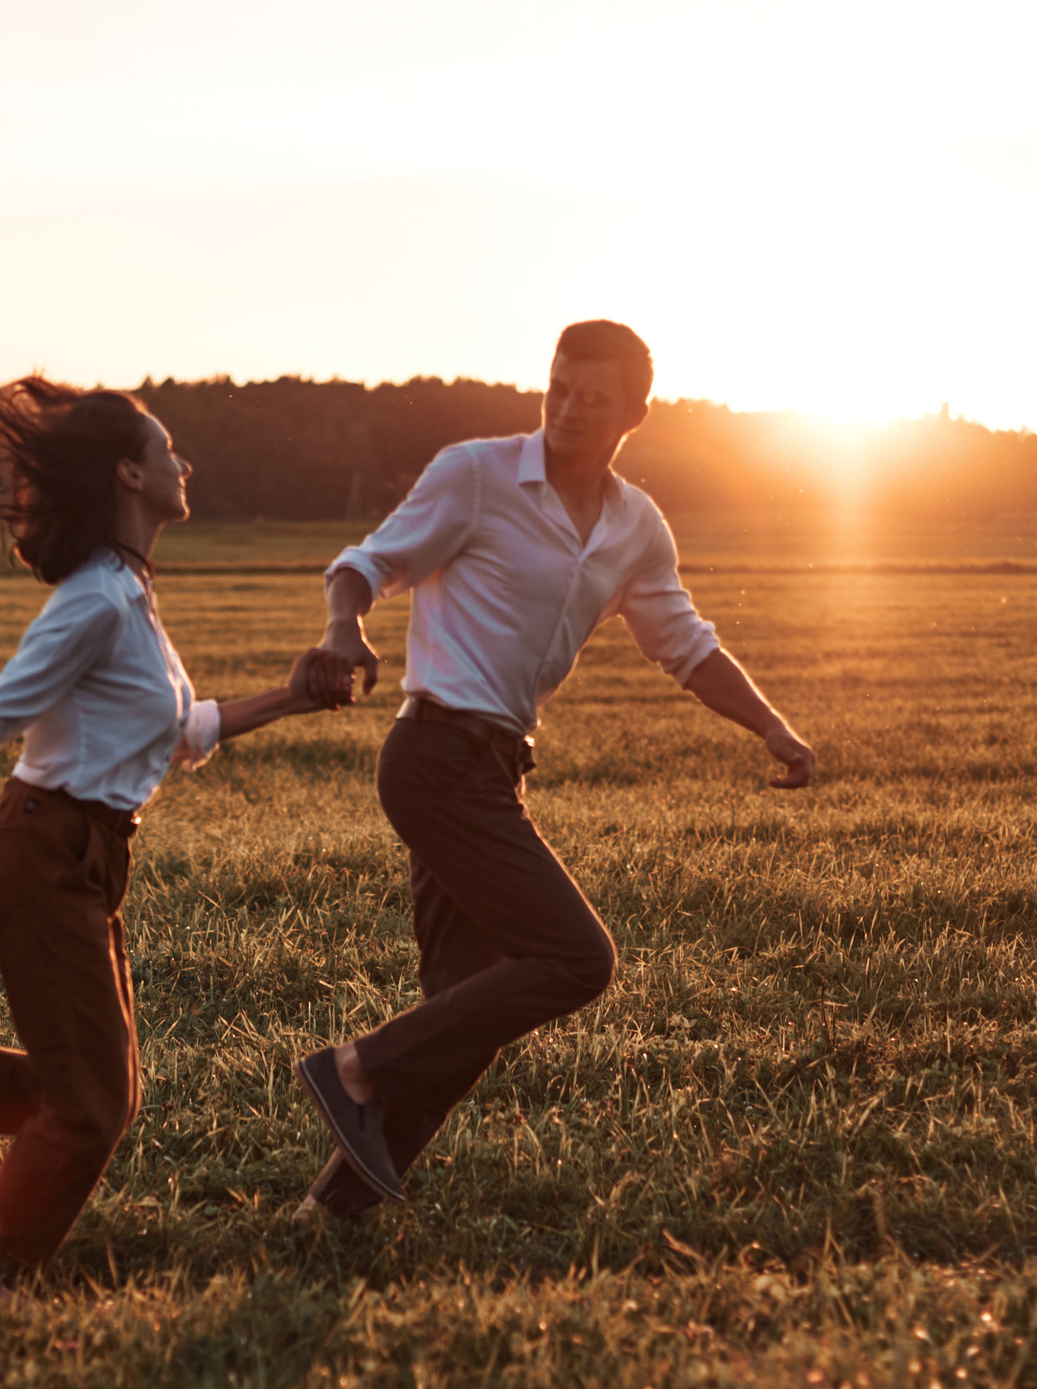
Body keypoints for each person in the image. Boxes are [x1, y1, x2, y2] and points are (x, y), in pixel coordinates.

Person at [0, 377, 351, 1302]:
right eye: (167, 451)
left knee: (94, 1089)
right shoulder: (97, 601)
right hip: (41, 855)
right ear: (128, 474)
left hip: (86, 860)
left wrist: (295, 696)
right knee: (92, 1104)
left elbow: (182, 733)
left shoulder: (131, 595)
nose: (183, 464)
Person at [289, 320, 817, 1219]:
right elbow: (368, 562)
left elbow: (685, 645)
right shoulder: (478, 474)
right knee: (577, 957)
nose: (569, 409)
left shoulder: (635, 528)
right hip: (433, 756)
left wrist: (772, 727)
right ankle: (354, 1066)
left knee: (462, 1013)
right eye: (558, 387)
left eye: (594, 399)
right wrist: (345, 625)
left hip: (495, 770)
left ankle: (334, 1214)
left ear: (635, 415)